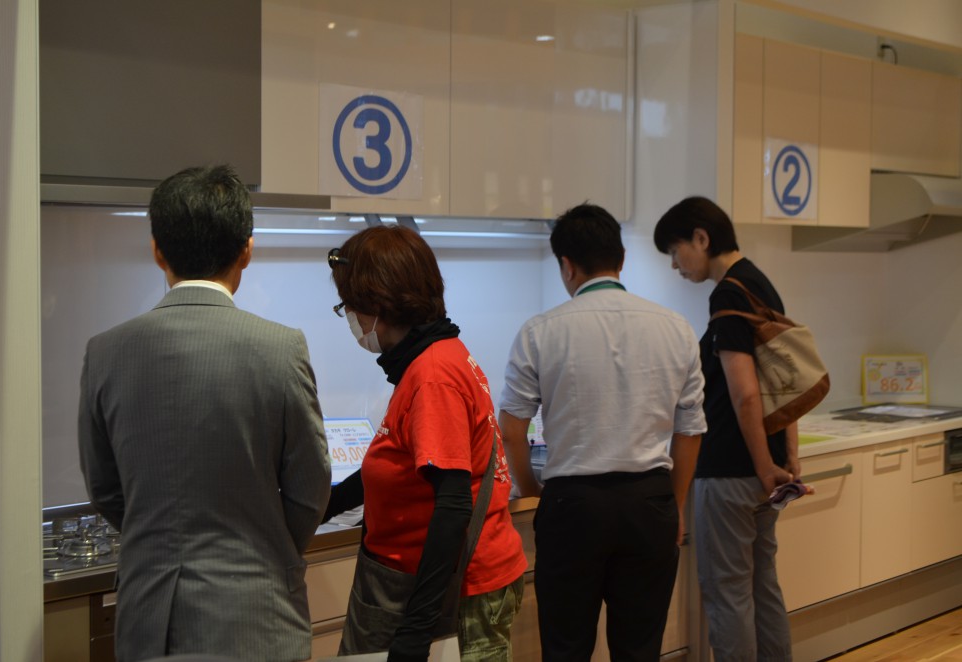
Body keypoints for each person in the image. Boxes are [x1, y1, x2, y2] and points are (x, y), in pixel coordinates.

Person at [78, 164, 332, 662]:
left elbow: (104, 489)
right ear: (247, 251)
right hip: (259, 618)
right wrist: (265, 551)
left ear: (157, 250)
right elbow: (310, 489)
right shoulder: (281, 349)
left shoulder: (105, 352)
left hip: (150, 619)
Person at [498, 203, 706, 662]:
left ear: (566, 266)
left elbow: (511, 430)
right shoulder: (676, 328)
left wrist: (533, 491)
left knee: (566, 648)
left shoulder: (539, 331)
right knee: (640, 649)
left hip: (572, 506)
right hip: (650, 503)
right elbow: (690, 431)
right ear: (621, 259)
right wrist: (674, 504)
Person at [324, 224, 527, 662]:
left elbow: (452, 503)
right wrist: (323, 506)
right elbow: (399, 465)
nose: (351, 318)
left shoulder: (432, 375)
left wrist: (415, 631)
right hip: (426, 580)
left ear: (377, 305)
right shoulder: (433, 357)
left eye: (349, 306)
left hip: (458, 591)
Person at [653, 195, 803, 662]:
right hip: (763, 470)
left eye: (675, 251)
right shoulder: (760, 284)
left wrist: (763, 466)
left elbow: (745, 394)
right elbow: (786, 379)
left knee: (728, 592)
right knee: (762, 585)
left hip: (730, 472)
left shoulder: (729, 294)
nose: (675, 265)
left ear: (701, 238)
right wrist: (785, 458)